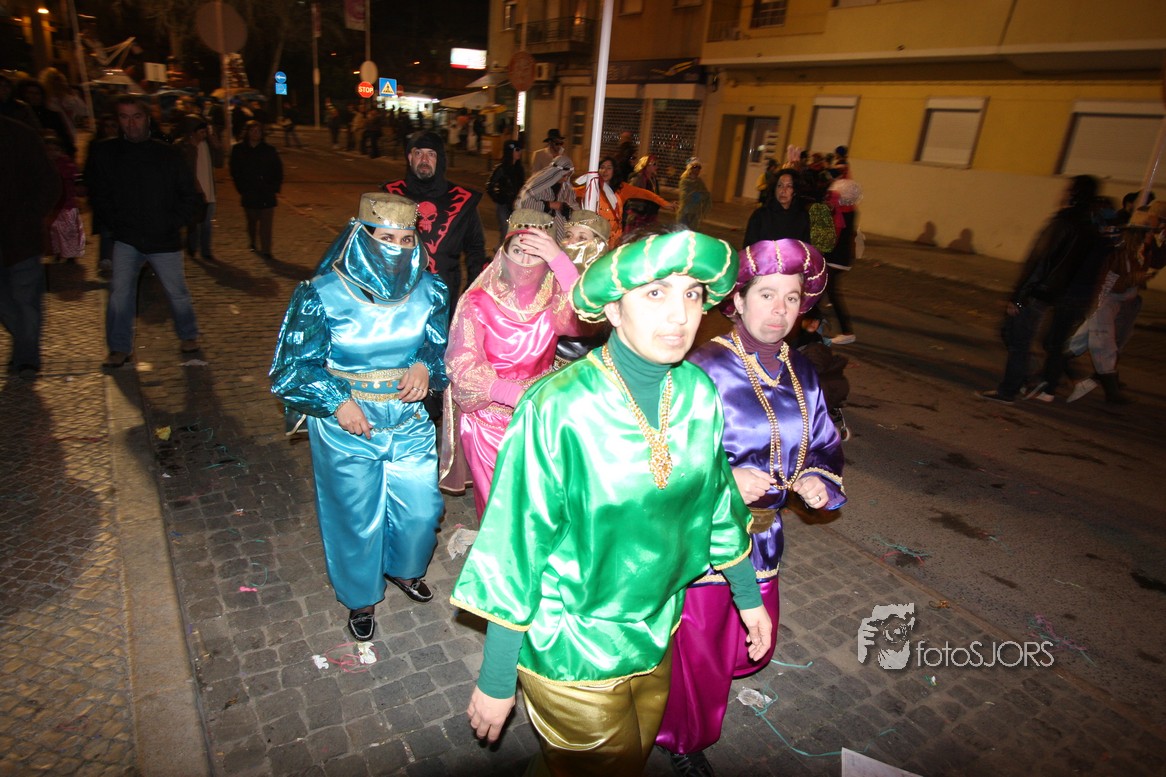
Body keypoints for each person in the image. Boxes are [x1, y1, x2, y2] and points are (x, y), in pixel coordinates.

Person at [452, 228, 773, 776]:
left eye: (692, 293)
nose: (679, 315)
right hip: (571, 644)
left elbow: (717, 501)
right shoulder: (558, 408)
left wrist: (748, 596)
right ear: (614, 309)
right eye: (655, 293)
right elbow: (515, 546)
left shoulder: (697, 393)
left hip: (656, 629)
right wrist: (497, 677)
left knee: (627, 757)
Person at [655, 239, 845, 774]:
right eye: (766, 295)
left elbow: (824, 443)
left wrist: (815, 477)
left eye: (791, 298)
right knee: (700, 644)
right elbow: (661, 452)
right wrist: (725, 477)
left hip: (765, 537)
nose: (779, 310)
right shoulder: (702, 366)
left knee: (742, 641)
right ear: (737, 300)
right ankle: (683, 739)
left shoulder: (802, 370)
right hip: (706, 534)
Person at [270, 193, 449, 642]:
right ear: (361, 237)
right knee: (355, 518)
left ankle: (404, 569)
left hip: (408, 420)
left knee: (421, 510)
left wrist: (425, 366)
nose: (397, 248)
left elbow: (438, 347)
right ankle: (360, 596)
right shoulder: (321, 294)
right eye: (386, 238)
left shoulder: (431, 290)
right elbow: (292, 367)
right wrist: (336, 400)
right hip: (346, 427)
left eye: (406, 239)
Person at [439, 209, 590, 516]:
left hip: (538, 414)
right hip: (488, 417)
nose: (524, 261)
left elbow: (581, 319)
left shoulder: (554, 297)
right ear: (504, 252)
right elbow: (461, 364)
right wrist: (511, 393)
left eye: (535, 253)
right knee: (501, 507)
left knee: (541, 502)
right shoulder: (478, 300)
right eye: (518, 251)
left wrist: (562, 263)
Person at [84, 95, 202, 369]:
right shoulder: (108, 153)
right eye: (124, 117)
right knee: (120, 294)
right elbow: (98, 193)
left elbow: (189, 195)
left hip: (164, 239)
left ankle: (188, 335)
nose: (131, 123)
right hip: (127, 238)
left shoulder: (168, 154)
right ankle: (119, 348)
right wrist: (115, 223)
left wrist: (172, 222)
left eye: (136, 116)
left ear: (147, 119)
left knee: (177, 292)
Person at [978, 175, 1104, 404]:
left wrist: (1019, 297)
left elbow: (1041, 261)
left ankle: (1009, 390)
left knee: (1017, 338)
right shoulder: (1087, 227)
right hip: (1049, 292)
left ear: (1074, 194)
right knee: (1014, 335)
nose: (1063, 193)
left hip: (1036, 291)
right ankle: (1025, 378)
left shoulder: (1063, 223)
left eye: (1068, 189)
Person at [1065, 203, 1166, 404]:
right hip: (1105, 299)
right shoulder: (1118, 249)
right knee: (1104, 343)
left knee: (1082, 341)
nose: (1154, 234)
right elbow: (1109, 282)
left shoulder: (1142, 247)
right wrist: (1133, 278)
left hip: (1120, 300)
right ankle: (1112, 393)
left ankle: (1053, 367)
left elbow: (1157, 261)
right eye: (1152, 230)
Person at [382, 131, 487, 300]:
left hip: (444, 294)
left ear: (440, 159)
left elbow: (475, 249)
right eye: (418, 153)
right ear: (410, 158)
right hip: (399, 293)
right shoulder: (391, 196)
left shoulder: (462, 201)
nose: (424, 160)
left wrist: (471, 293)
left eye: (431, 154)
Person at [0, 116, 60, 380]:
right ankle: (24, 343)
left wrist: (29, 215)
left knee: (26, 299)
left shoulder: (19, 135)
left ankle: (26, 357)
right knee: (5, 304)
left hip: (21, 238)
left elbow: (49, 182)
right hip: (17, 234)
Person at [575, 156, 673, 249]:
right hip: (597, 235)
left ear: (614, 171)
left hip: (614, 237)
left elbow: (646, 194)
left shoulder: (622, 188)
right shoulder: (592, 188)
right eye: (602, 167)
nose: (605, 171)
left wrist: (664, 203)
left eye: (609, 168)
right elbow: (572, 192)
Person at [229, 120, 284, 261]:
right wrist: (241, 188)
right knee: (252, 220)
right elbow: (235, 171)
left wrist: (274, 187)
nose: (255, 134)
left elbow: (278, 169)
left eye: (258, 131)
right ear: (247, 132)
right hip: (249, 192)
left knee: (266, 223)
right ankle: (253, 241)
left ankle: (266, 249)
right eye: (253, 131)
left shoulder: (269, 150)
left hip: (266, 192)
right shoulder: (239, 150)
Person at [821, 177, 863, 344]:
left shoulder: (841, 212)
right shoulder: (849, 210)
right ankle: (815, 324)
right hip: (840, 258)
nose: (831, 198)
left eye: (834, 194)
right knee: (824, 291)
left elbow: (833, 236)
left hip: (835, 258)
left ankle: (847, 332)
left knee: (829, 292)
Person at [177, 115, 224, 262]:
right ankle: (192, 248)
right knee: (193, 223)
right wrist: (196, 188)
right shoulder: (184, 146)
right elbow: (186, 171)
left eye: (206, 131)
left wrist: (217, 147)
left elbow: (219, 163)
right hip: (193, 192)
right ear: (192, 132)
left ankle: (206, 250)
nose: (205, 134)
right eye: (202, 132)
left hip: (209, 191)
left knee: (206, 223)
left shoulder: (207, 144)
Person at [514, 155, 577, 243]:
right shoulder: (538, 185)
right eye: (564, 176)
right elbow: (525, 204)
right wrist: (551, 205)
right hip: (538, 231)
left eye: (568, 176)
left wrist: (570, 211)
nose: (566, 179)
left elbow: (574, 206)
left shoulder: (566, 188)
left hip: (560, 233)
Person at [44, 133, 85, 263]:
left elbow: (74, 177)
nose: (52, 153)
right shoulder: (43, 165)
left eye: (55, 149)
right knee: (54, 230)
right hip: (52, 204)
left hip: (67, 203)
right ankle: (57, 251)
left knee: (69, 230)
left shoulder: (66, 165)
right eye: (49, 150)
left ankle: (71, 254)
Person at [744, 168, 810, 247]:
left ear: (795, 191)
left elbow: (805, 248)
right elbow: (749, 247)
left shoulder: (802, 217)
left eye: (789, 186)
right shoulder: (760, 215)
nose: (783, 190)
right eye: (779, 186)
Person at [485, 138, 525, 234]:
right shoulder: (501, 168)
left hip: (515, 205)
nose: (519, 152)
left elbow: (522, 187)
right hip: (503, 205)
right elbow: (490, 186)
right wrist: (499, 198)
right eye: (517, 150)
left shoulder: (520, 169)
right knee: (505, 230)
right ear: (510, 151)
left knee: (515, 232)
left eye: (520, 150)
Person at [625, 154, 664, 232]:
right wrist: (635, 211)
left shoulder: (653, 179)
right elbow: (632, 195)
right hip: (639, 214)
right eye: (654, 164)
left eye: (657, 164)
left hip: (650, 213)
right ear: (646, 165)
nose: (656, 167)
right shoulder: (638, 178)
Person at [678, 157, 711, 231]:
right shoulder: (684, 181)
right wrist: (698, 195)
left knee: (693, 233)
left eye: (699, 168)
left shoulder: (699, 181)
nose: (697, 170)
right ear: (690, 168)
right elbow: (685, 196)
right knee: (682, 232)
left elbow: (707, 195)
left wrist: (698, 195)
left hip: (695, 213)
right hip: (685, 212)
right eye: (695, 167)